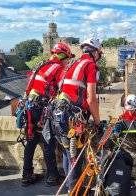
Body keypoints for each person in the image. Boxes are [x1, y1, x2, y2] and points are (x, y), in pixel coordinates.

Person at [21, 42, 75, 187]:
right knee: (48, 142)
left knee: (31, 141)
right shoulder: (58, 68)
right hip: (42, 107)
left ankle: (27, 175)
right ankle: (52, 176)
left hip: (30, 105)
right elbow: (61, 90)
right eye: (68, 59)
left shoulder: (42, 65)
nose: (68, 62)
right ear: (63, 56)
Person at [55, 38, 103, 193]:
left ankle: (72, 188)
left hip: (58, 113)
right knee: (75, 156)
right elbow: (91, 99)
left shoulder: (72, 64)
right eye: (99, 52)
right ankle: (74, 191)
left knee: (67, 153)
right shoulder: (90, 66)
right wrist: (97, 122)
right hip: (72, 116)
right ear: (95, 52)